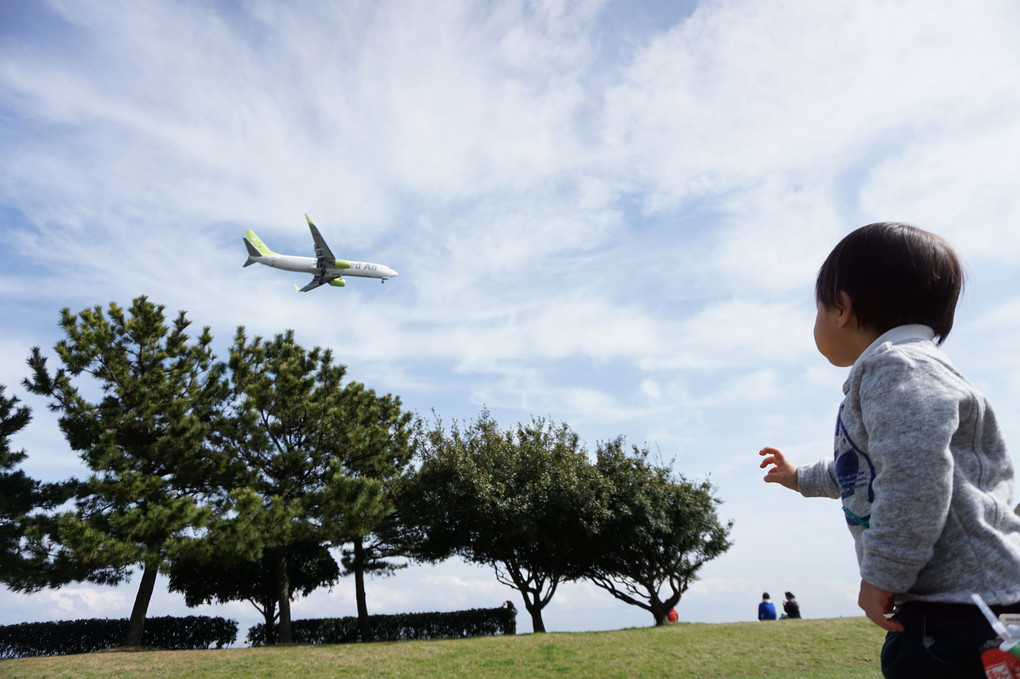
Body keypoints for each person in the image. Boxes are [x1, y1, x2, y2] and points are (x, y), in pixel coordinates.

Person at [758, 222, 1020, 678]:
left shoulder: (897, 367)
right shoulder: (905, 371)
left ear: (842, 309)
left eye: (817, 308)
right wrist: (800, 476)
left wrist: (883, 571)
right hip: (958, 600)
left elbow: (915, 476)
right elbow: (864, 469)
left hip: (966, 608)